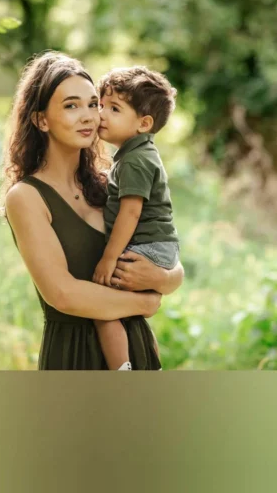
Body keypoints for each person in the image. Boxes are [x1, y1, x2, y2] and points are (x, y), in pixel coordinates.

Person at [0, 51, 184, 370]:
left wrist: (161, 278)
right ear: (41, 119)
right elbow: (63, 294)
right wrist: (145, 301)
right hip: (74, 354)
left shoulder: (109, 182)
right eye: (71, 106)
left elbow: (172, 262)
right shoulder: (26, 197)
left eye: (93, 104)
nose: (88, 116)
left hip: (134, 347)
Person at [92, 66, 179, 371]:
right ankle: (147, 362)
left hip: (149, 247)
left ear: (143, 123)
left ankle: (122, 370)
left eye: (114, 109)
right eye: (101, 105)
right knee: (131, 314)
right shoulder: (135, 155)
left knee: (104, 307)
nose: (101, 114)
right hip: (159, 246)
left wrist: (108, 257)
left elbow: (131, 213)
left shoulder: (135, 160)